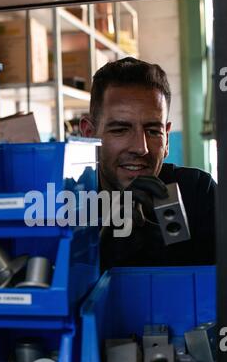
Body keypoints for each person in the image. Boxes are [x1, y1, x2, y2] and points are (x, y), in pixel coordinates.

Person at [80, 57, 216, 270]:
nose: (140, 147)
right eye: (120, 130)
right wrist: (101, 257)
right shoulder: (68, 202)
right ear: (89, 135)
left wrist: (175, 248)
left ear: (167, 138)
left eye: (153, 131)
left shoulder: (198, 192)